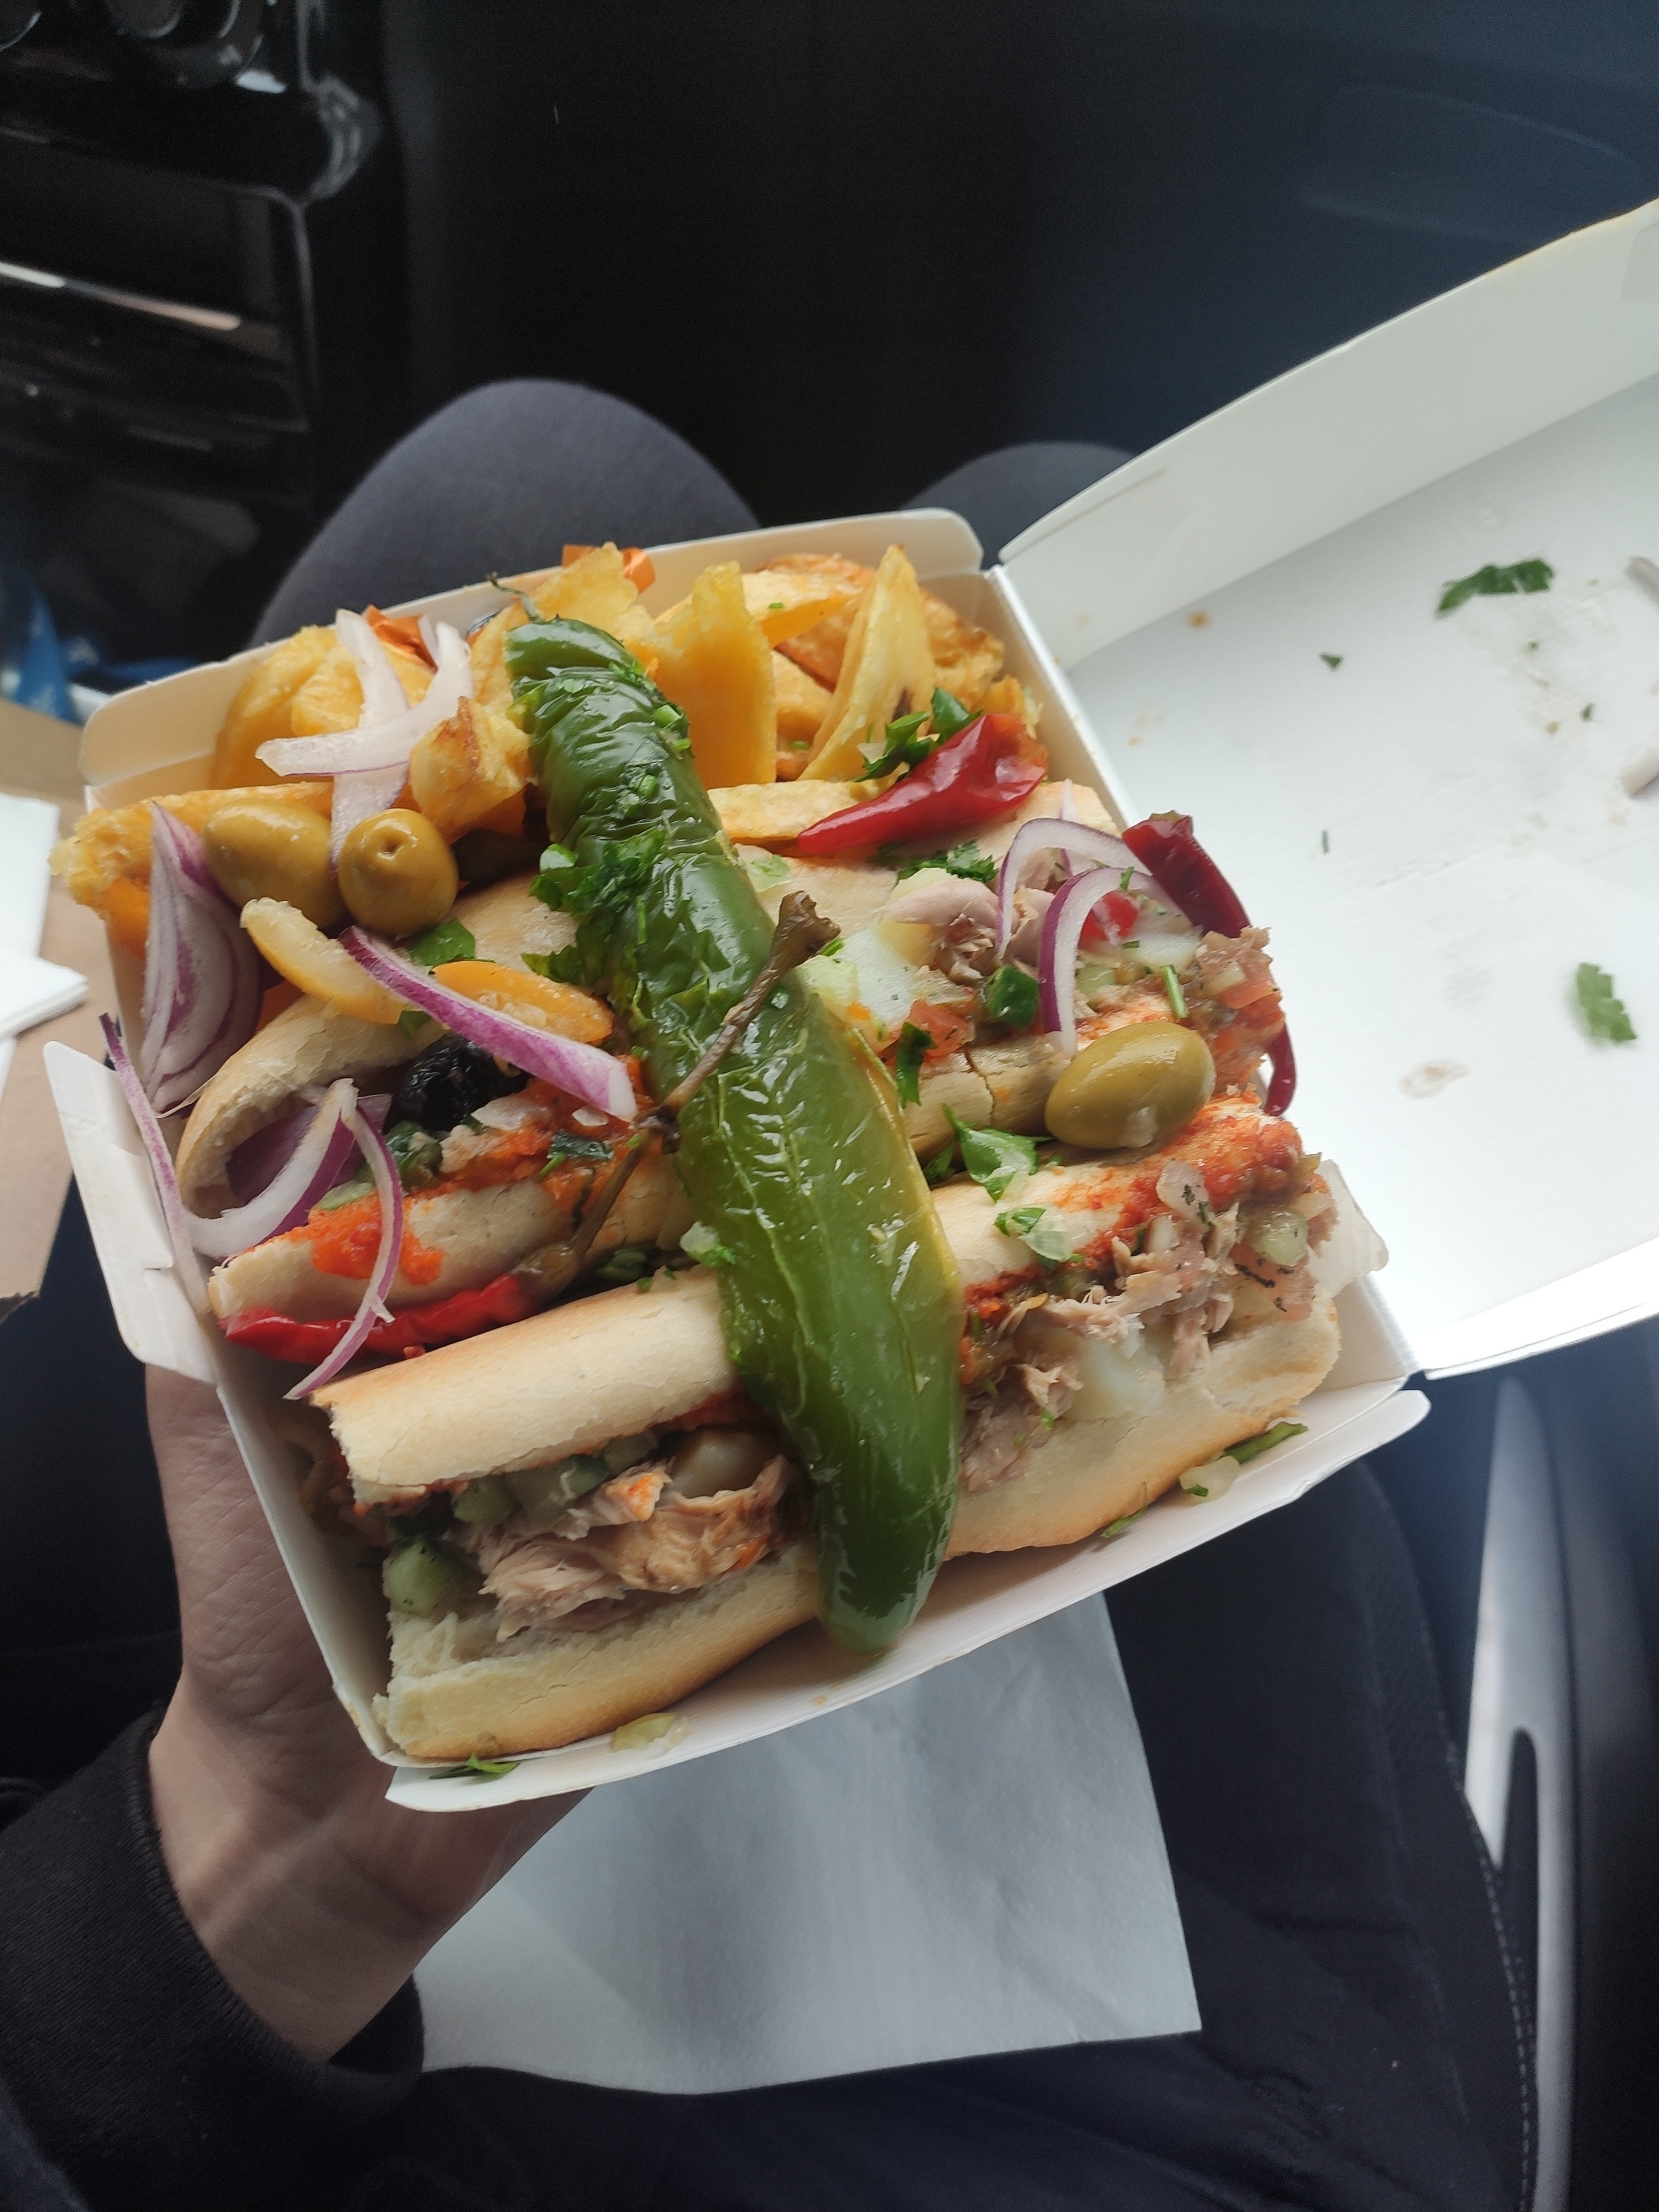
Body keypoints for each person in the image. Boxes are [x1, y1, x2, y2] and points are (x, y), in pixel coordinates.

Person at [0, 384, 1531, 2211]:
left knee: (542, 462)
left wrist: (263, 1848)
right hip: (1184, 2136)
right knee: (943, 477)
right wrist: (283, 1841)